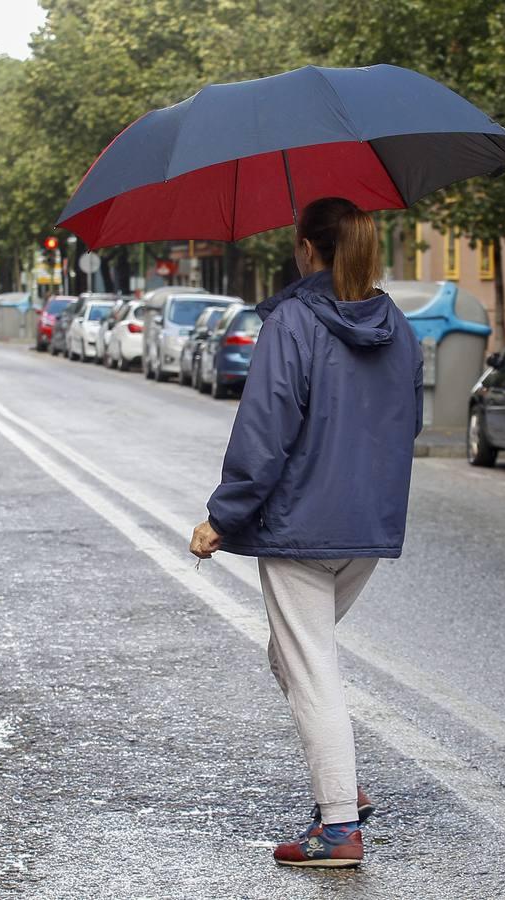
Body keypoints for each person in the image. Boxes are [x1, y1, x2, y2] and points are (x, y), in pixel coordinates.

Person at [190, 196, 424, 868]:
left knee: (310, 665)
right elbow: (404, 427)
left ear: (305, 248)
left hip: (300, 528)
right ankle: (341, 780)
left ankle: (339, 826)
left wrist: (222, 518)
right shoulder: (399, 327)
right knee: (293, 654)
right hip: (367, 531)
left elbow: (264, 435)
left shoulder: (292, 322)